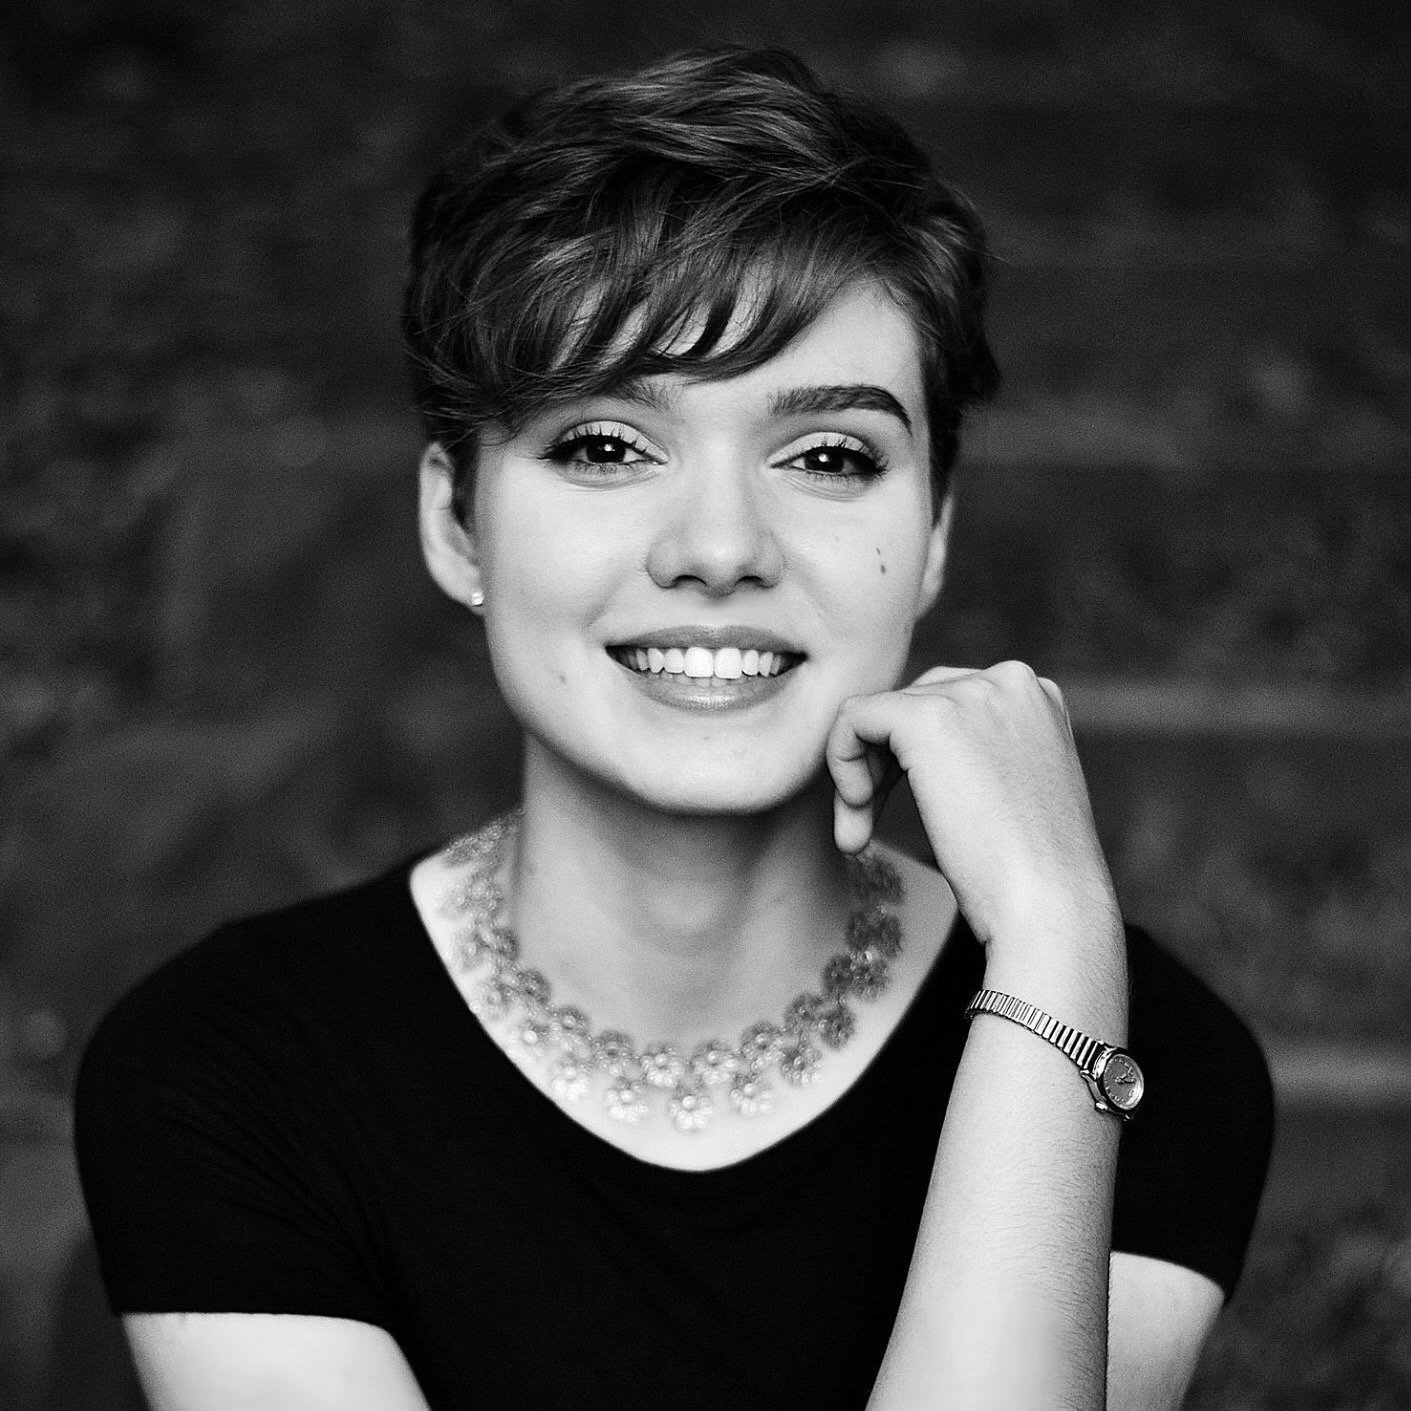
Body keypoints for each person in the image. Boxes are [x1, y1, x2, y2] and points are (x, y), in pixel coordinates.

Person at [74, 46, 1273, 1411]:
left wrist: (1058, 951)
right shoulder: (225, 1070)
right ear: (454, 523)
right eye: (602, 444)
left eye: (827, 455)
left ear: (931, 532)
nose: (718, 547)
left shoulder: (1132, 1051)